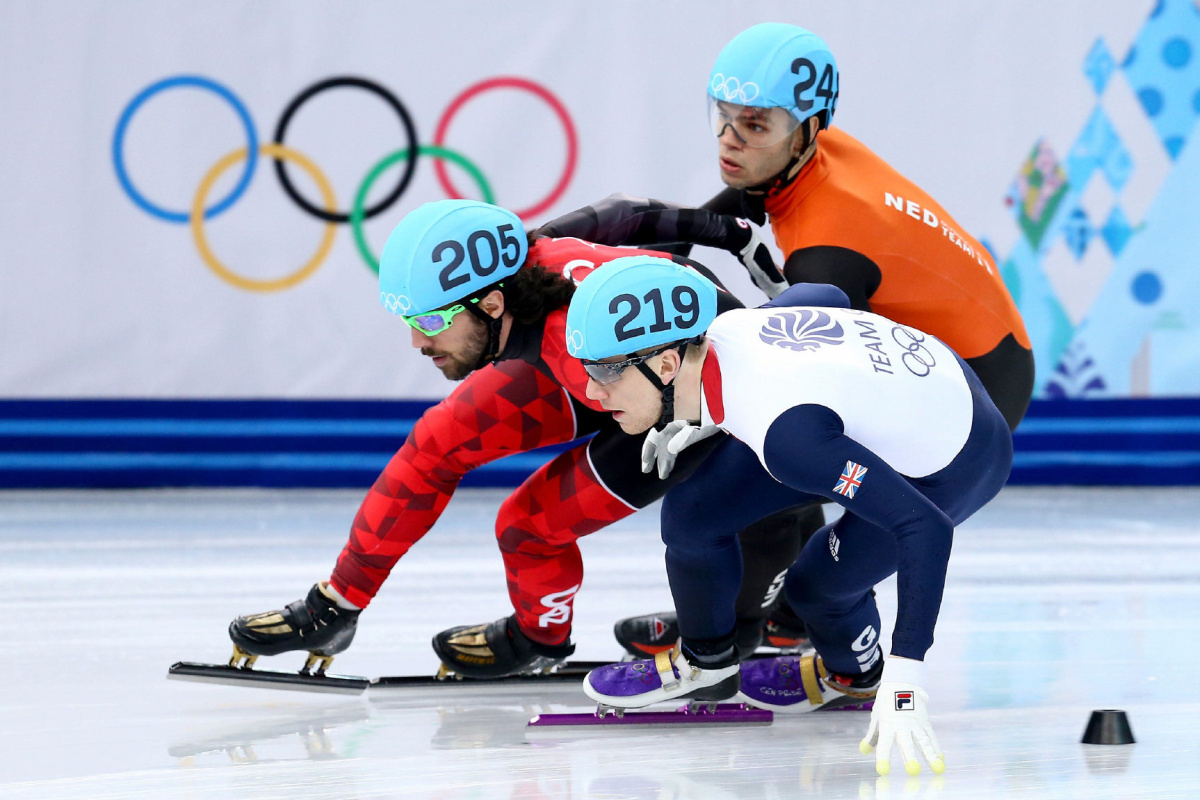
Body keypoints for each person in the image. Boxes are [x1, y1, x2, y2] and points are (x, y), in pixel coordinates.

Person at [540, 21, 1033, 656]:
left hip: (975, 382)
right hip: (978, 338)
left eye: (754, 126)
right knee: (751, 466)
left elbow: (778, 379)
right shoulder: (807, 157)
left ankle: (763, 616)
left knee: (773, 444)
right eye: (722, 117)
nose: (730, 141)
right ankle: (767, 605)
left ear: (805, 128)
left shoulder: (831, 247)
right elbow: (719, 217)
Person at [225, 198, 775, 678]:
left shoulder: (568, 336)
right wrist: (733, 233)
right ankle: (335, 609)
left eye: (434, 322)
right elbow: (626, 211)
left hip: (688, 403)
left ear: (490, 307)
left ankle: (541, 638)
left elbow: (753, 447)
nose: (417, 341)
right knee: (438, 440)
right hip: (610, 363)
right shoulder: (531, 256)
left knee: (528, 525)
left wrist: (743, 619)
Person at [563, 256, 1012, 776]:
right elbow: (826, 295)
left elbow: (925, 527)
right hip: (882, 400)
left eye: (603, 373)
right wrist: (704, 415)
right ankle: (706, 665)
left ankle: (858, 675)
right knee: (694, 513)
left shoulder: (787, 437)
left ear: (666, 367)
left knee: (817, 587)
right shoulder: (732, 329)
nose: (592, 393)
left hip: (958, 461)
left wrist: (907, 678)